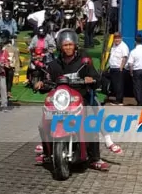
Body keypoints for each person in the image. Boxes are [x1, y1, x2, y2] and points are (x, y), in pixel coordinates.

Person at [33, 29, 109, 171]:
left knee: (90, 123)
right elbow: (48, 79)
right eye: (65, 45)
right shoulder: (55, 64)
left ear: (75, 45)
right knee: (42, 124)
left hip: (80, 98)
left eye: (70, 44)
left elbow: (96, 78)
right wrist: (41, 83)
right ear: (60, 47)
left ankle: (94, 158)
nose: (68, 47)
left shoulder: (84, 61)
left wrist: (90, 79)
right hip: (61, 101)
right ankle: (47, 152)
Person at [105, 32, 129, 106]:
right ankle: (117, 99)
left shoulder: (123, 46)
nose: (117, 39)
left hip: (119, 68)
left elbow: (125, 57)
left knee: (119, 85)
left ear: (121, 38)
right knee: (115, 84)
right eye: (115, 38)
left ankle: (119, 100)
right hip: (113, 68)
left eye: (118, 38)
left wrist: (121, 67)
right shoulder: (114, 46)